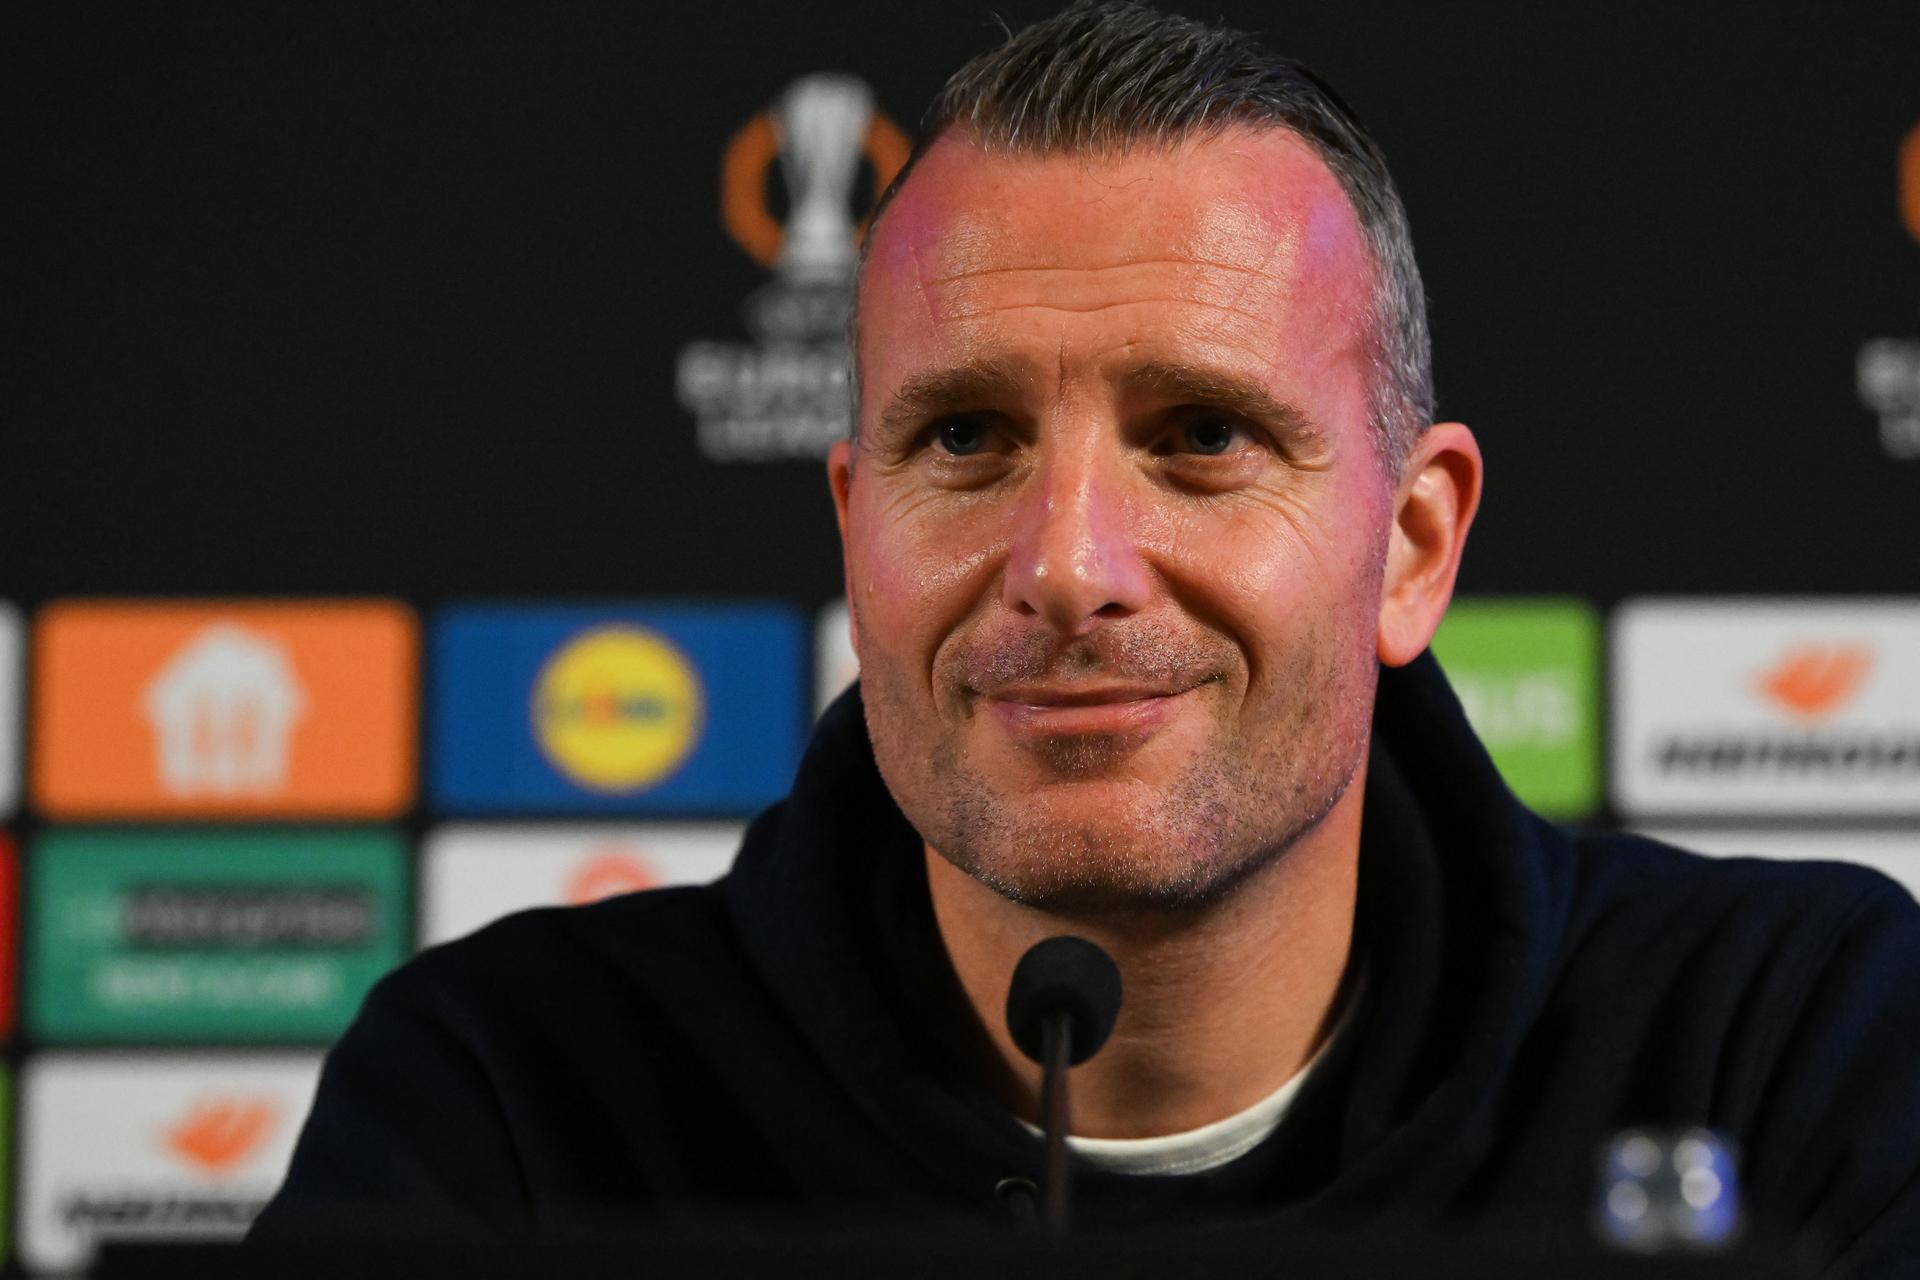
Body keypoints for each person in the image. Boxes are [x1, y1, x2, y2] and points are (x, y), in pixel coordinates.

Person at [253, 3, 1920, 1271]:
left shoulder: (1787, 1046)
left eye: (1201, 435)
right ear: (854, 526)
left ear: (1413, 547)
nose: (1067, 567)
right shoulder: (513, 1108)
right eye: (967, 440)